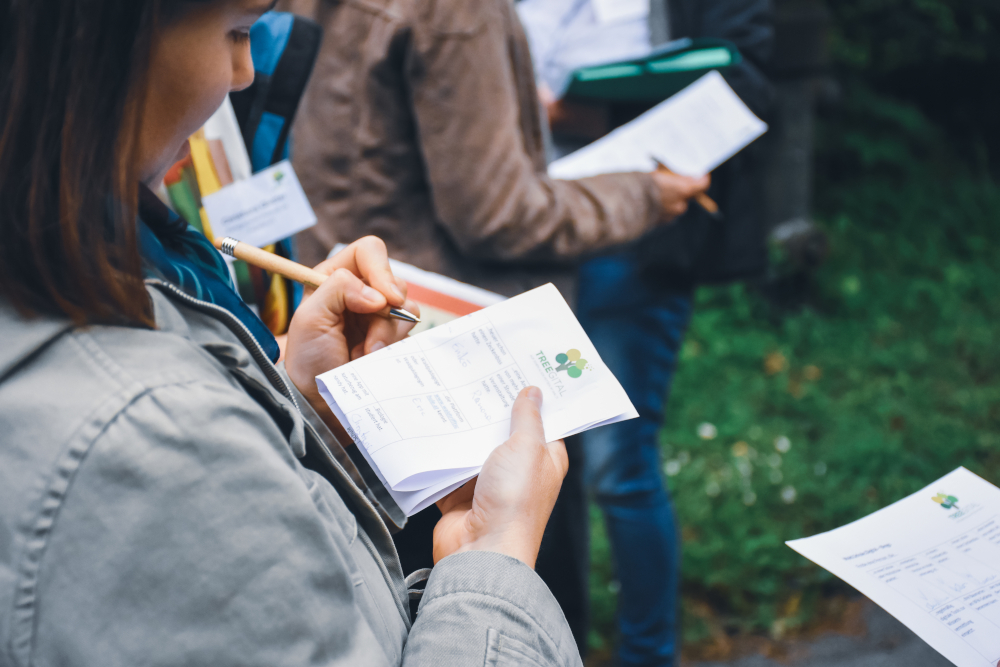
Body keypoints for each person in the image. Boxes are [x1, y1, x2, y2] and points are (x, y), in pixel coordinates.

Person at [0, 2, 584, 665]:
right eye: (238, 32)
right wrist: (494, 556)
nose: (246, 74)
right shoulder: (156, 435)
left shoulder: (90, 283)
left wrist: (288, 404)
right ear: (101, 43)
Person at [276, 0, 710, 650]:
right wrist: (644, 194)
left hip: (368, 364)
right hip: (467, 375)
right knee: (505, 617)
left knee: (397, 622)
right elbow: (497, 210)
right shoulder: (457, 9)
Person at [518, 1, 774, 665]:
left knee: (617, 466)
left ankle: (647, 654)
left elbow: (745, 82)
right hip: (530, 236)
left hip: (634, 243)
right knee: (538, 458)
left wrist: (584, 115)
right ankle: (550, 644)